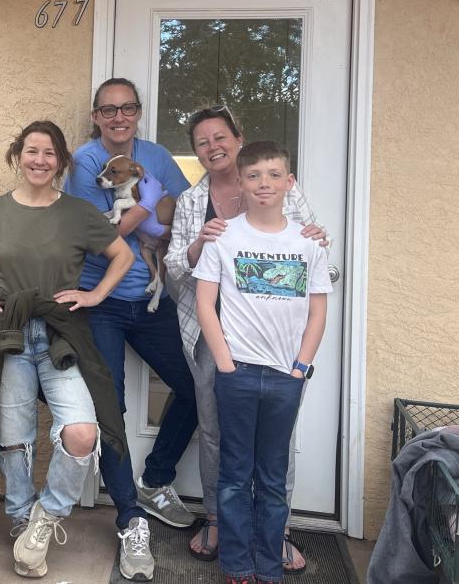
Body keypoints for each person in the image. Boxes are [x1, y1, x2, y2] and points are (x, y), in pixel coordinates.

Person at [0, 120, 134, 579]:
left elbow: (123, 256)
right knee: (13, 439)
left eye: (49, 154)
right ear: (18, 155)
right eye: (32, 151)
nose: (39, 160)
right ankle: (19, 517)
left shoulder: (77, 212)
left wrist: (94, 296)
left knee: (81, 433)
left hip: (61, 335)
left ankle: (46, 516)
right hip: (7, 333)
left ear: (61, 162)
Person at [164, 107, 326, 573]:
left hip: (276, 340)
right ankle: (218, 520)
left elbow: (318, 265)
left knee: (278, 439)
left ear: (238, 137)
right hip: (211, 334)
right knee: (215, 432)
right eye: (201, 142)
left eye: (220, 137)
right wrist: (200, 242)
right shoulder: (194, 200)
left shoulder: (278, 189)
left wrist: (319, 240)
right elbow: (176, 267)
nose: (212, 146)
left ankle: (277, 533)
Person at [62, 78, 197, 576]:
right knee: (110, 407)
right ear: (96, 116)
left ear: (138, 113)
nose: (119, 117)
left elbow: (181, 213)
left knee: (194, 388)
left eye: (128, 108)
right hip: (102, 302)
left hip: (151, 298)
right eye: (109, 110)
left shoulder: (157, 156)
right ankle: (128, 517)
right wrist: (144, 209)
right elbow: (98, 235)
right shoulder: (82, 164)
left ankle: (156, 480)